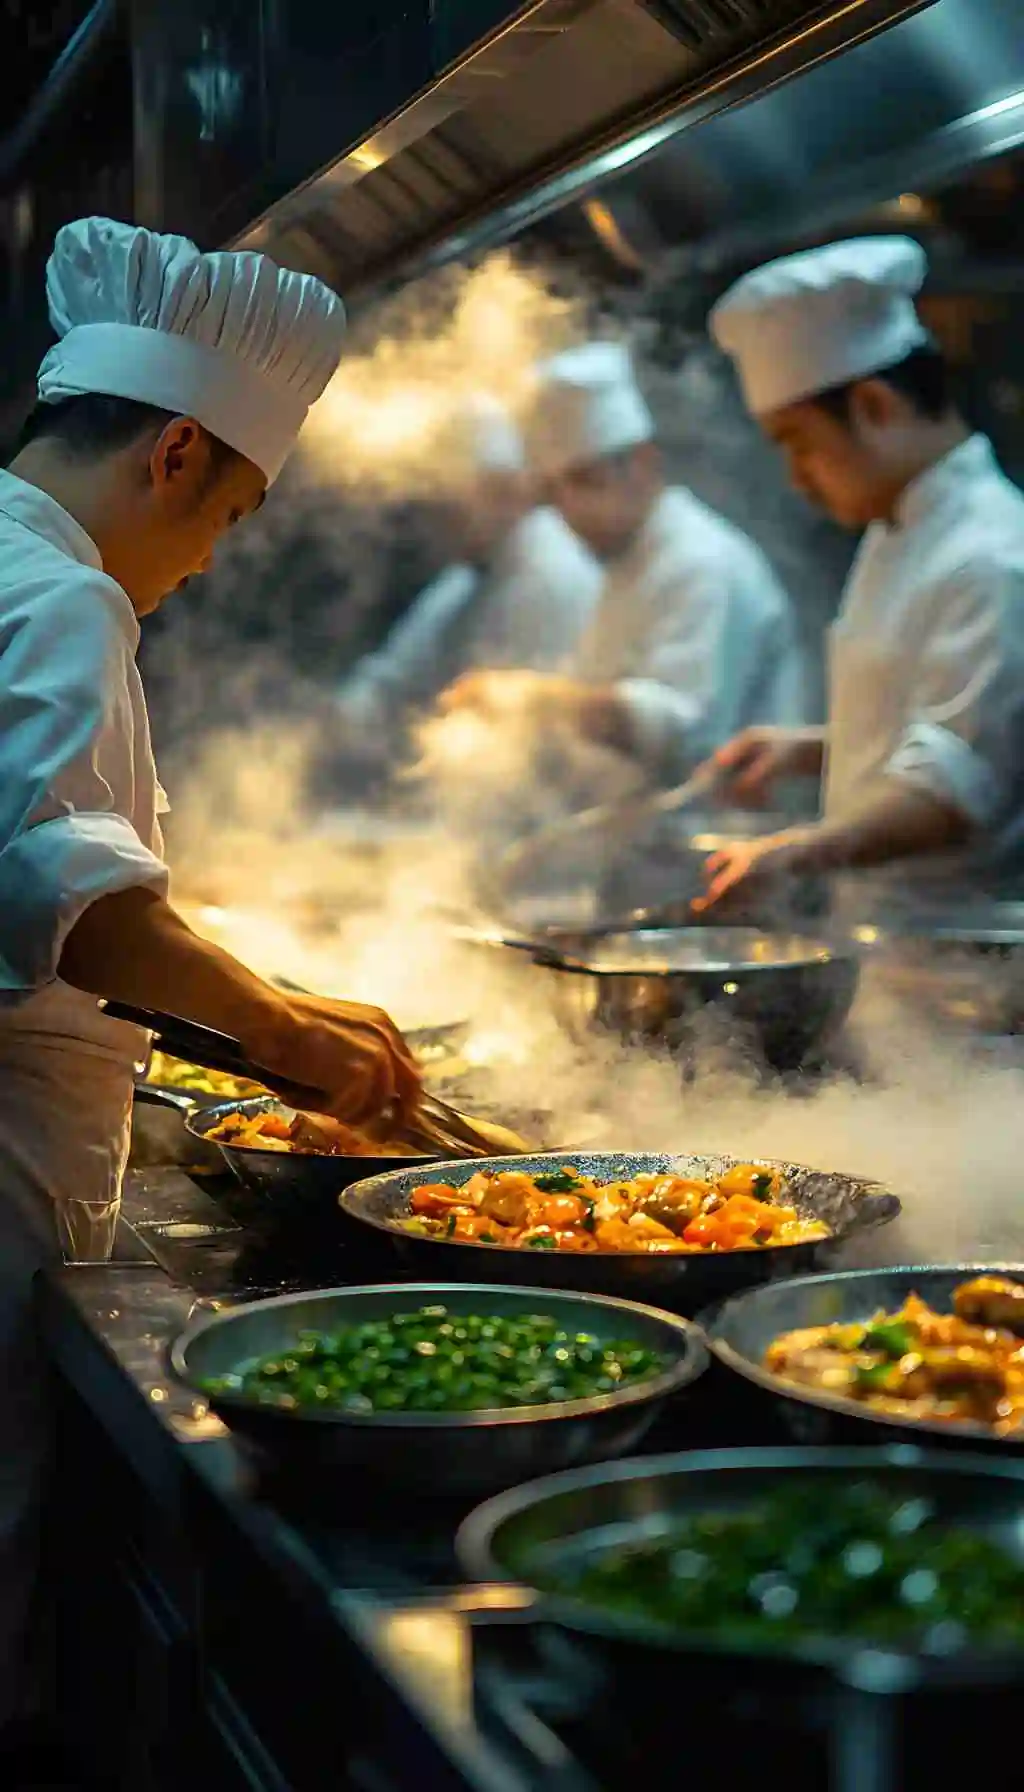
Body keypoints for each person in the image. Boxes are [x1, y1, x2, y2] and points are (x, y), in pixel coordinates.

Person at [0, 217, 420, 1726]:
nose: (211, 561)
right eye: (232, 515)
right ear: (175, 451)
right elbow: (75, 903)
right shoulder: (61, 595)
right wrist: (292, 1036)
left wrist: (279, 1010)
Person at [698, 235, 1024, 918]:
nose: (796, 479)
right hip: (889, 945)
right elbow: (946, 720)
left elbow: (955, 791)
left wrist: (796, 851)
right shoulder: (897, 530)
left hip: (964, 960)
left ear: (874, 406)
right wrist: (812, 748)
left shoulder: (991, 553)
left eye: (800, 445)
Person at [441, 341, 803, 789]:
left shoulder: (699, 562)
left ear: (644, 464)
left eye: (586, 481)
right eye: (554, 491)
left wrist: (534, 701)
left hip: (722, 833)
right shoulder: (626, 565)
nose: (570, 509)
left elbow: (685, 732)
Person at [335, 394, 600, 779]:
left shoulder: (554, 576)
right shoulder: (465, 577)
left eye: (447, 505)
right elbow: (391, 679)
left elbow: (518, 748)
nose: (430, 524)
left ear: (504, 492)